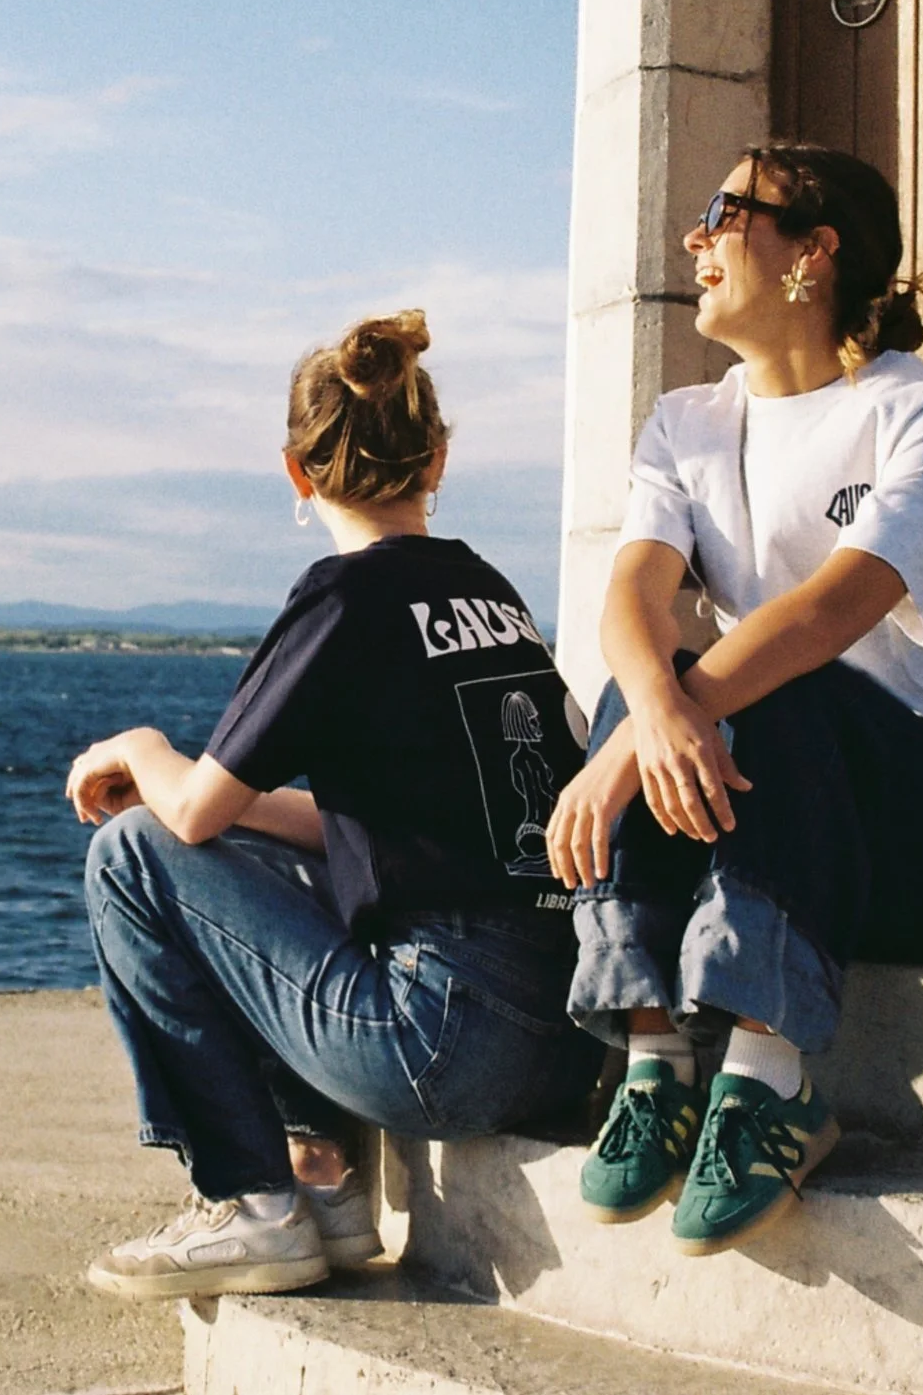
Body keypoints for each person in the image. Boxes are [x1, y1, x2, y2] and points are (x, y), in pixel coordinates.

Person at [544, 143, 923, 1257]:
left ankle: (768, 1079)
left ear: (812, 253)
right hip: (782, 816)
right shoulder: (687, 421)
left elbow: (830, 611)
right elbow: (632, 596)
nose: (695, 235)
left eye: (726, 210)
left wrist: (641, 739)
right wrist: (648, 717)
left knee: (774, 678)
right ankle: (656, 1059)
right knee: (650, 682)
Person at [70, 310, 604, 1301]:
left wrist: (141, 748)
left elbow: (189, 816)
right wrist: (233, 810)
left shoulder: (343, 602)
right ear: (436, 460)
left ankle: (250, 1202)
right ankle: (322, 1183)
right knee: (257, 851)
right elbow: (384, 836)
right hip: (564, 1037)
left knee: (131, 855)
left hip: (444, 1047)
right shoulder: (489, 595)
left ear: (296, 472)